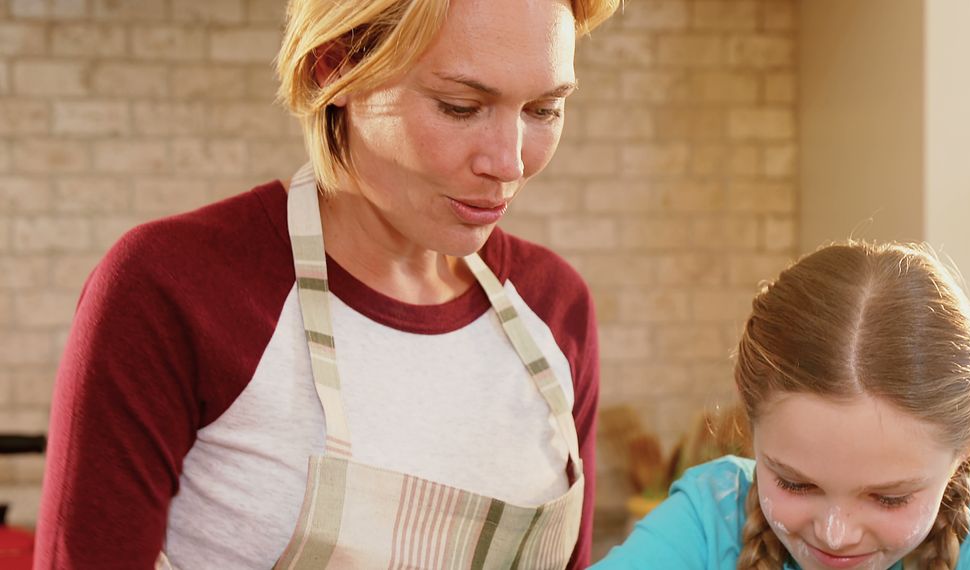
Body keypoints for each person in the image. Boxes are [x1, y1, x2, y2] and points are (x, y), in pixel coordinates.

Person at [35, 0, 619, 567]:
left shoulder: (554, 306)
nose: (510, 162)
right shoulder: (172, 289)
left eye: (544, 109)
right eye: (460, 106)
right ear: (335, 70)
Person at [595, 242, 970, 569]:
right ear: (748, 415)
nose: (836, 535)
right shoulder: (707, 519)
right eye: (795, 484)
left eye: (889, 498)